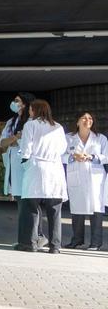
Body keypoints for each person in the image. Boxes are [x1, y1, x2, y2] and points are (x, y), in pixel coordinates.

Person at [16, 99, 68, 253]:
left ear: (35, 110)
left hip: (36, 167)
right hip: (54, 168)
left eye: (31, 110)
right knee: (54, 210)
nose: (29, 113)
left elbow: (26, 147)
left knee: (31, 207)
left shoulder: (30, 125)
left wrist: (25, 162)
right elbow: (62, 149)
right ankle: (55, 246)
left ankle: (29, 243)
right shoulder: (57, 127)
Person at [64, 111, 105, 250]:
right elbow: (59, 155)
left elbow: (107, 156)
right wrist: (72, 157)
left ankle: (96, 242)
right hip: (76, 176)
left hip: (95, 178)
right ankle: (77, 240)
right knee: (77, 209)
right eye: (84, 118)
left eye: (90, 118)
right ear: (77, 122)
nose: (88, 120)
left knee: (96, 210)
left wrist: (92, 156)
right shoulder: (68, 138)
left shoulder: (100, 138)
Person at [0, 92, 35, 198]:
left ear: (24, 104)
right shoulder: (11, 122)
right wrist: (15, 137)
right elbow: (2, 143)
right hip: (13, 163)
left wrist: (13, 141)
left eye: (16, 101)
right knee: (18, 196)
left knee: (28, 197)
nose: (13, 103)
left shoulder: (32, 122)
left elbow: (27, 142)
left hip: (27, 163)